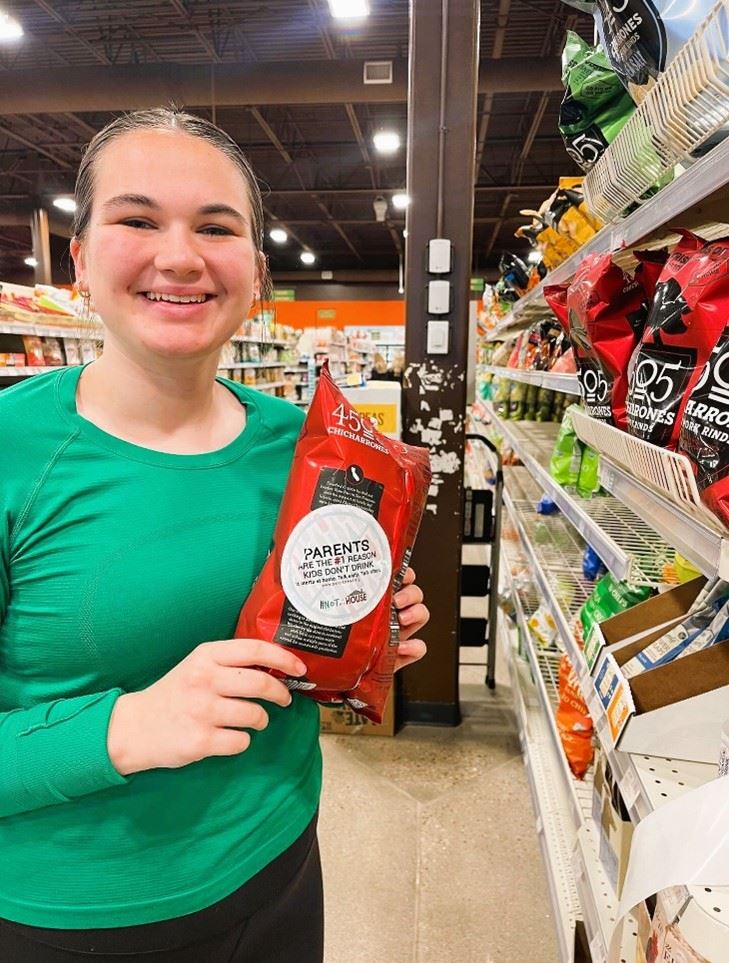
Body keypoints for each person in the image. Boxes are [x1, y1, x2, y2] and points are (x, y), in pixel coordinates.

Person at [0, 108, 429, 962]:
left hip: (279, 865)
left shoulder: (312, 446)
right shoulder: (15, 450)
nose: (181, 255)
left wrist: (367, 631)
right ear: (79, 258)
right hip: (75, 919)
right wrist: (128, 725)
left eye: (216, 227)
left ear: (256, 273)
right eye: (136, 218)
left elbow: (301, 645)